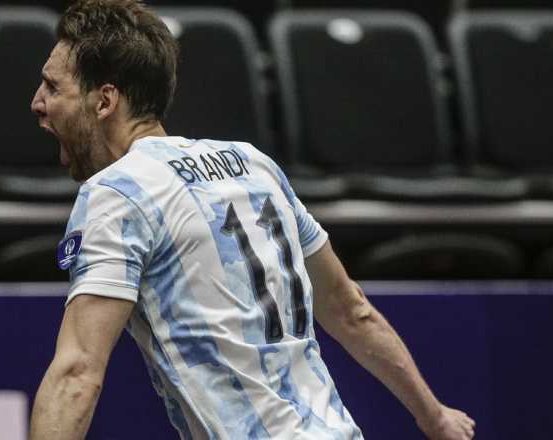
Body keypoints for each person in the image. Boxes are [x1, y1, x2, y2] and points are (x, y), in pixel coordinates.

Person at [28, 1, 475, 439]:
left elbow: (77, 371)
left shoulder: (116, 193)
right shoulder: (253, 165)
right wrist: (434, 416)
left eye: (52, 87)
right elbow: (352, 310)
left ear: (105, 101)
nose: (37, 103)